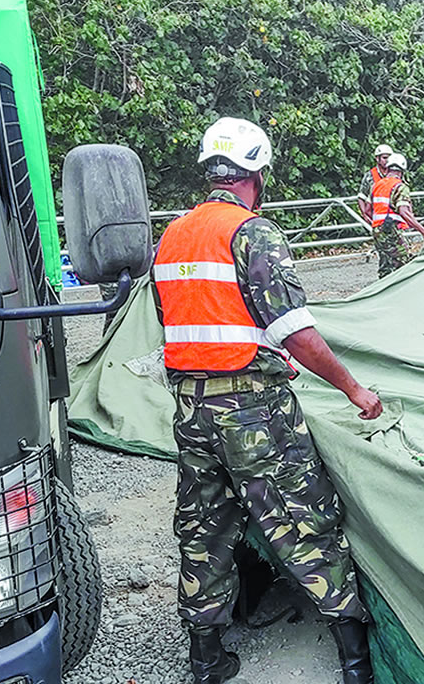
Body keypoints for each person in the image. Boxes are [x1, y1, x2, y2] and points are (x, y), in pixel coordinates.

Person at [151, 118, 382, 684]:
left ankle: (207, 659)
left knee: (203, 526)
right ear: (256, 172)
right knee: (305, 520)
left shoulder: (173, 234)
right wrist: (354, 389)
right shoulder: (253, 234)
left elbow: (182, 323)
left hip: (190, 409)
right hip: (251, 414)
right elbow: (296, 333)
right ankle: (355, 663)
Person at [370, 153, 424, 277]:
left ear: (388, 168)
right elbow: (404, 212)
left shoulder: (377, 185)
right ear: (402, 171)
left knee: (386, 265)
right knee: (404, 264)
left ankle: (383, 292)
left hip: (377, 230)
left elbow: (368, 209)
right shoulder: (399, 186)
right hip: (390, 230)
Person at [357, 144, 393, 224]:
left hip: (393, 218)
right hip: (375, 218)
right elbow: (362, 196)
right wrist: (364, 215)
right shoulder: (370, 176)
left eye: (389, 158)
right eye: (384, 158)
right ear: (377, 158)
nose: (387, 160)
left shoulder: (395, 174)